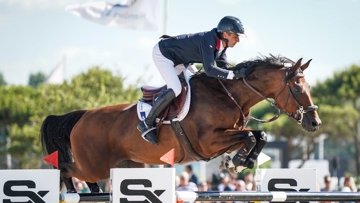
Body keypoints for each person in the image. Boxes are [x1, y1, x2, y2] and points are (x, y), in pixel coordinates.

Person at [137, 16, 250, 145]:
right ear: (225, 34)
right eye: (236, 36)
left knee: (196, 85)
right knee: (176, 88)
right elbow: (210, 70)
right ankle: (147, 122)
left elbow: (223, 69)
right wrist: (233, 74)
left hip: (182, 61)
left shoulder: (222, 45)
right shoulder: (208, 41)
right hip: (164, 55)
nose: (238, 40)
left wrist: (240, 75)